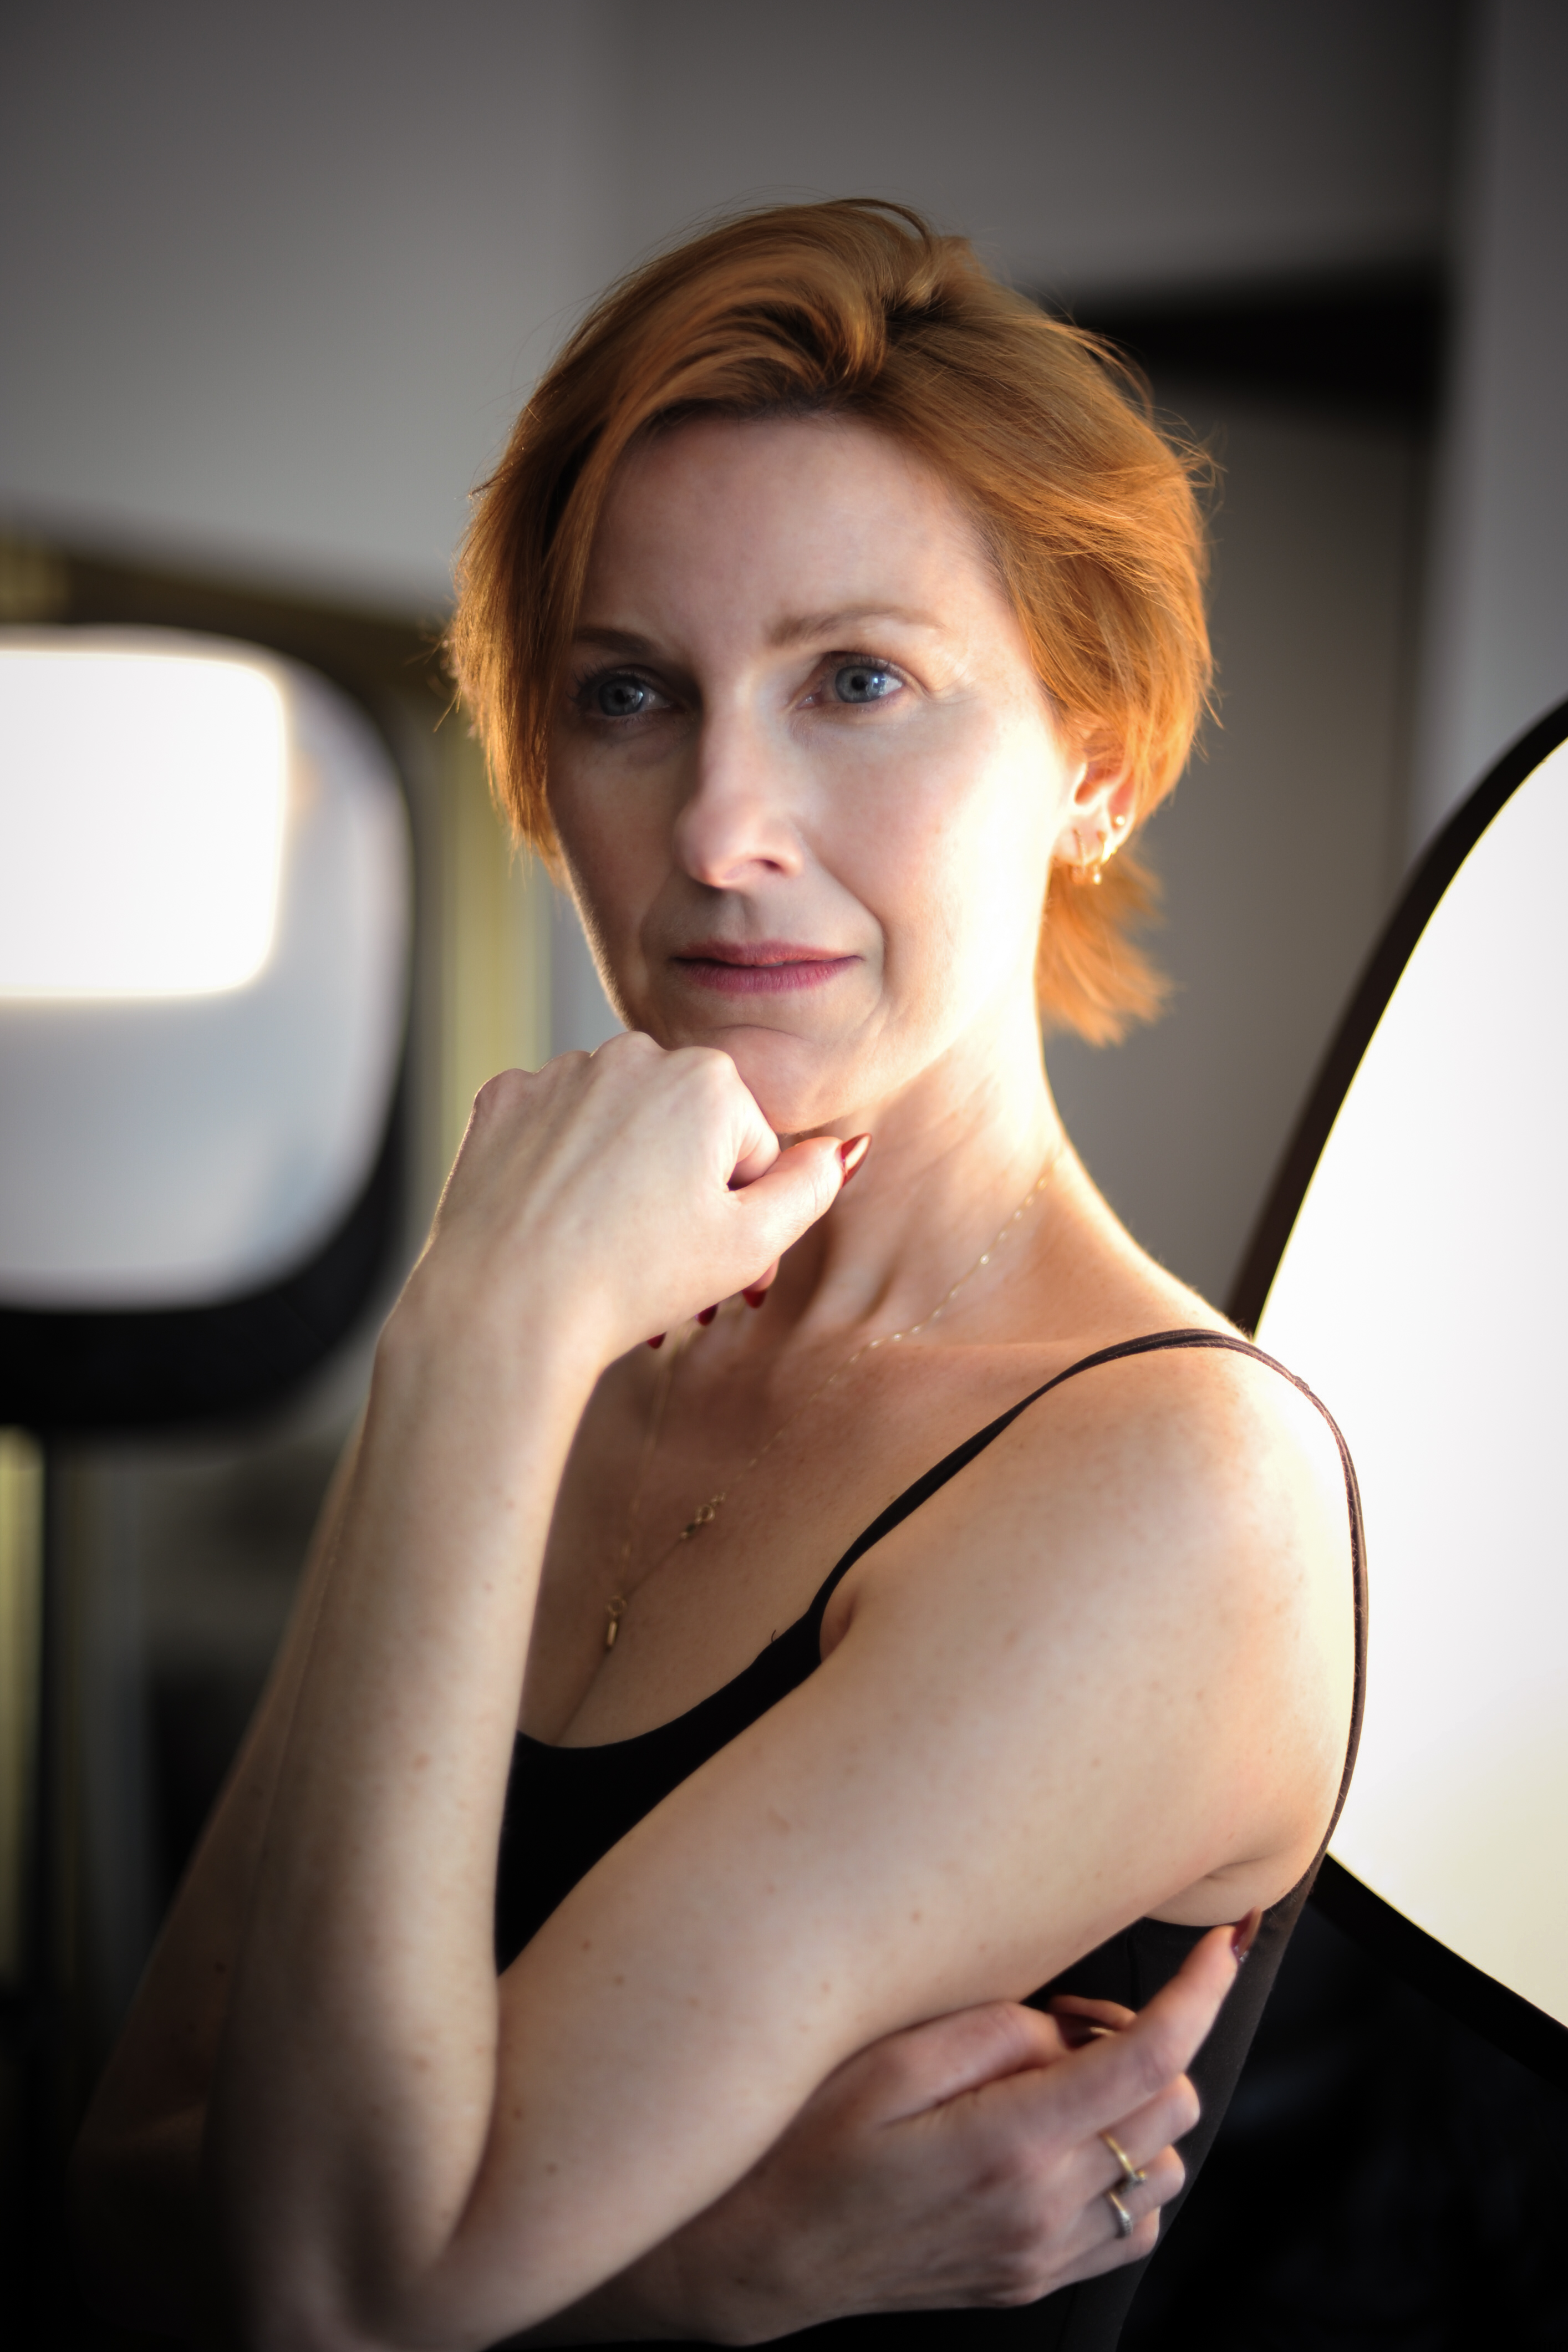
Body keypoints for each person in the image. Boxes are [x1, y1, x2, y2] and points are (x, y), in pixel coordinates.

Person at [71, 201, 1364, 2350]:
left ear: (1094, 761)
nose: (716, 826)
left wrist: (473, 1350)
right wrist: (712, 2270)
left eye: (857, 680)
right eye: (628, 694)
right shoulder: (556, 1334)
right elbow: (120, 2204)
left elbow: (321, 2286)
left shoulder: (1175, 1484)